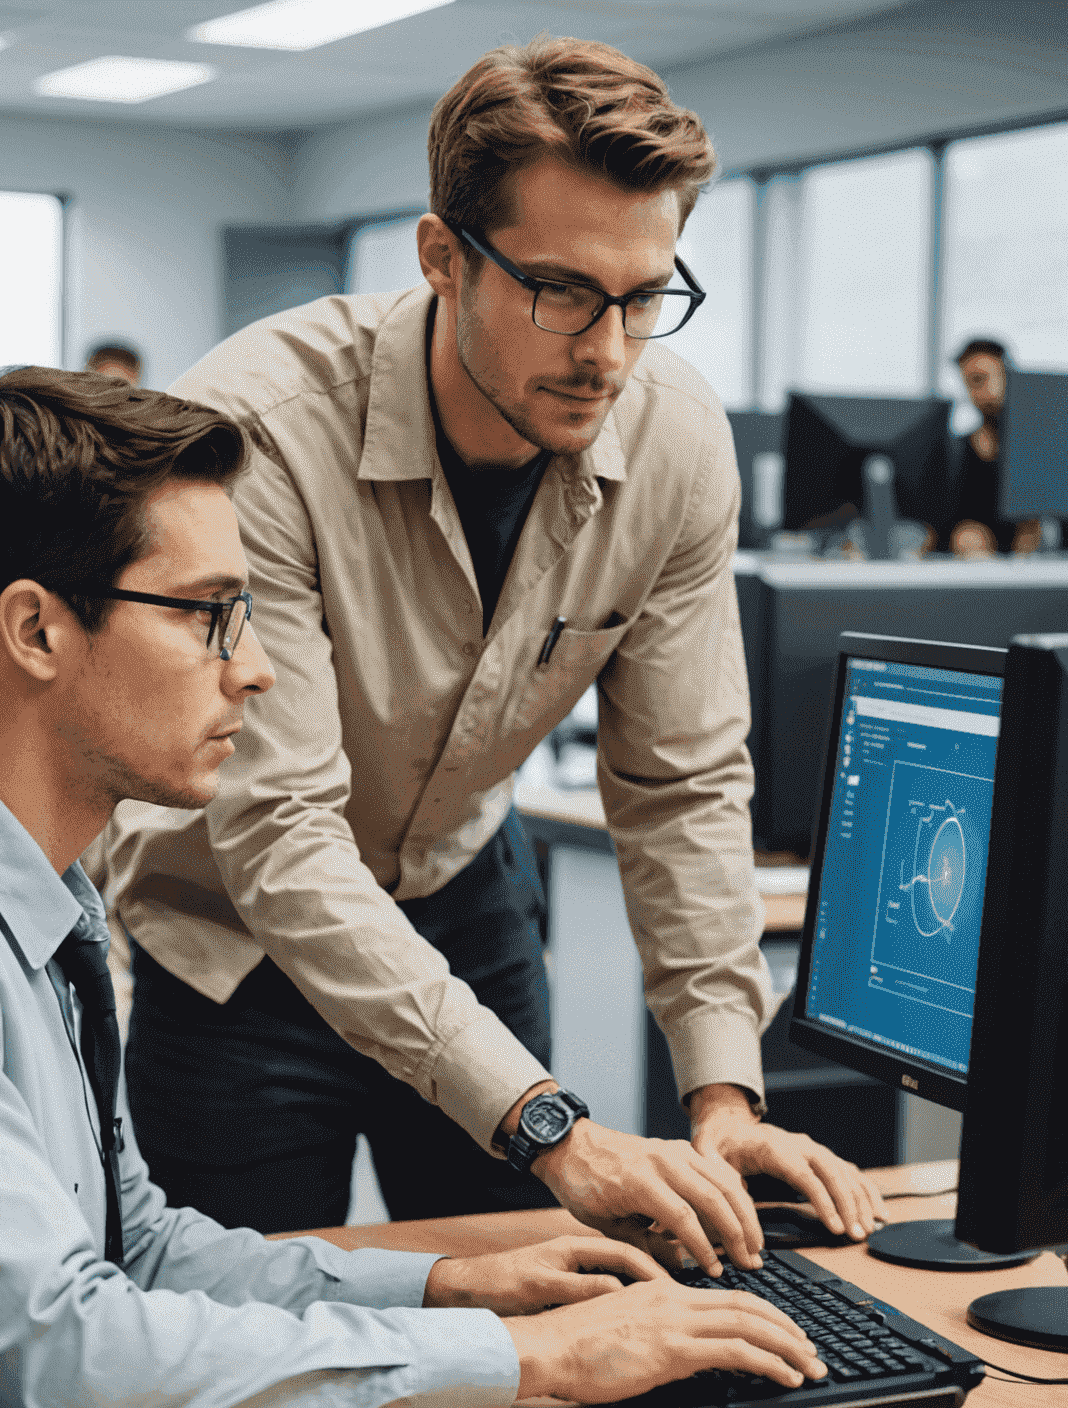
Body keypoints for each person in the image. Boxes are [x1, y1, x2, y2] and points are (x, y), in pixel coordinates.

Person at [0, 367, 824, 1408]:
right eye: (209, 616)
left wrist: (449, 1285)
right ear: (36, 629)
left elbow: (130, 1248)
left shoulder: (15, 886)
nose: (253, 669)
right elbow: (75, 1368)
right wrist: (530, 1358)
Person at [92, 37, 888, 1265]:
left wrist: (723, 1096)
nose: (609, 352)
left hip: (462, 893)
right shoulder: (255, 435)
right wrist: (555, 1127)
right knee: (246, 1355)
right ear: (442, 258)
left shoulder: (673, 444)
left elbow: (680, 783)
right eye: (563, 291)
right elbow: (286, 839)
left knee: (544, 1313)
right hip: (237, 941)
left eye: (644, 297)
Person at [943, 339, 1068, 556]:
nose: (976, 393)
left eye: (981, 379)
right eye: (968, 383)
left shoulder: (1052, 440)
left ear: (1009, 376)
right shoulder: (960, 450)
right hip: (987, 566)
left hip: (1051, 558)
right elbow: (950, 518)